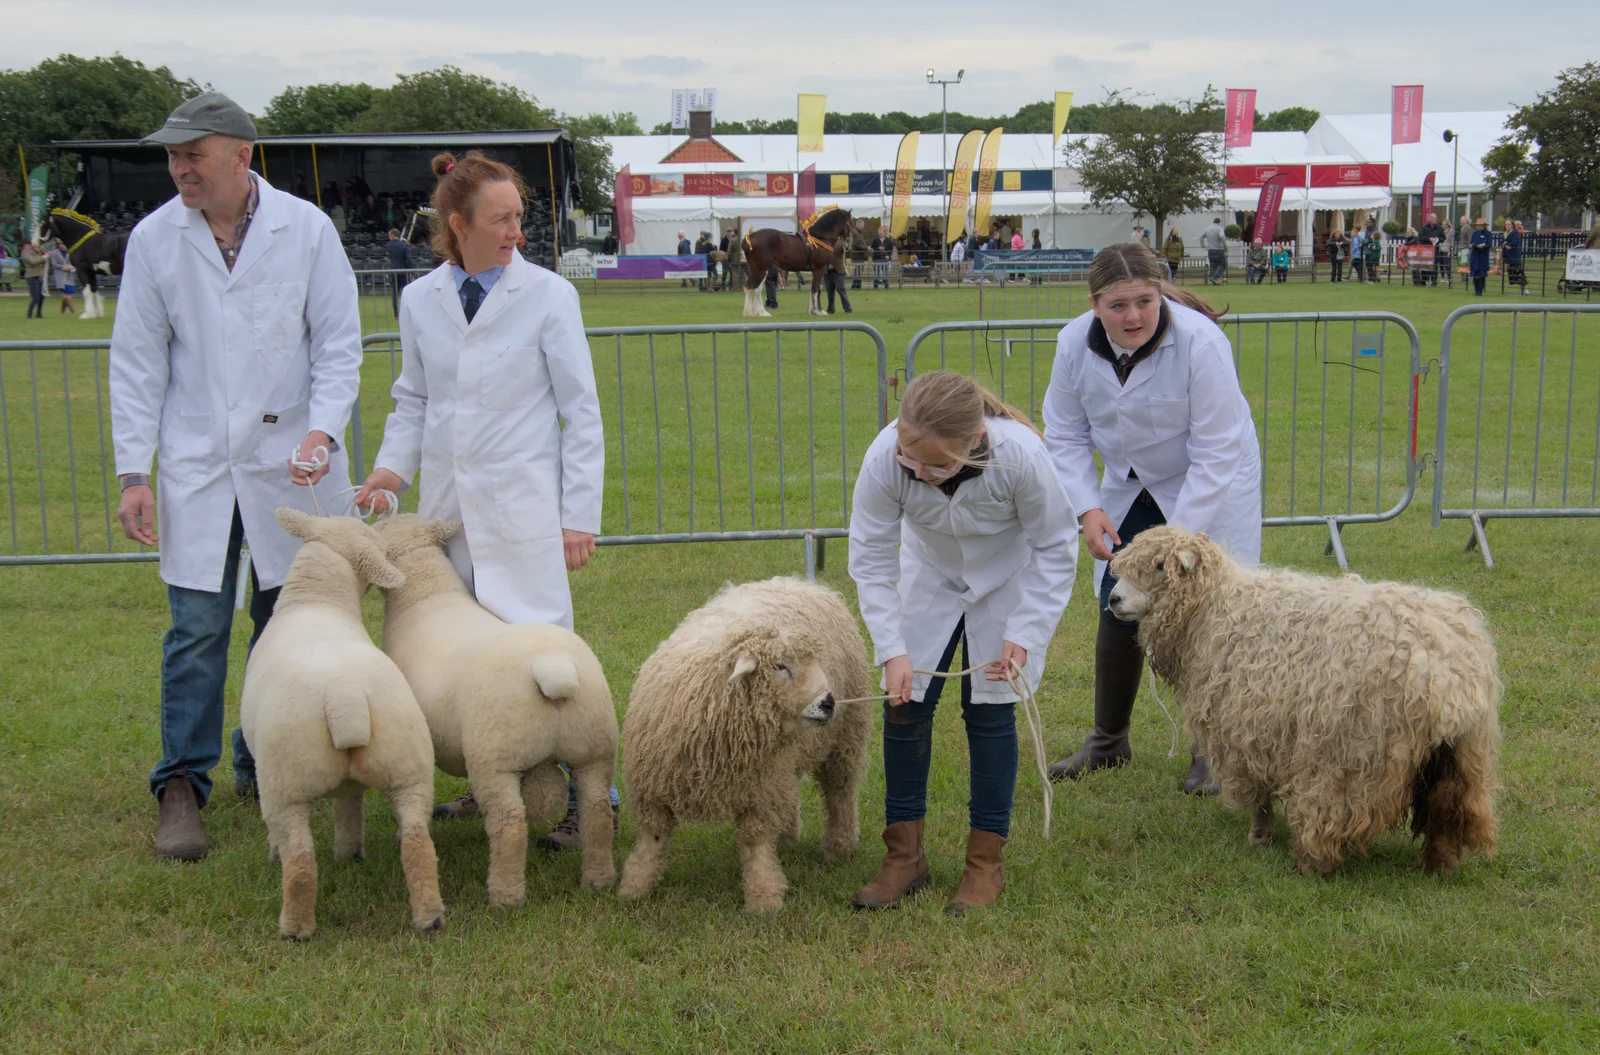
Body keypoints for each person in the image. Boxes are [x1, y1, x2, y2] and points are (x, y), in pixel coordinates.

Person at [110, 93, 362, 860]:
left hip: (293, 462)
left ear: (241, 157)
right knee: (195, 630)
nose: (179, 166)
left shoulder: (307, 231)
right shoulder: (156, 240)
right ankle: (182, 782)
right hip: (196, 466)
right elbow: (137, 363)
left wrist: (322, 429)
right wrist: (133, 470)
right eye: (173, 155)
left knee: (286, 623)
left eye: (194, 152)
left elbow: (339, 345)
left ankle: (267, 758)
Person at [354, 149, 615, 847]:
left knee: (544, 650)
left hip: (522, 510)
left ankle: (586, 797)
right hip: (445, 513)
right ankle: (485, 777)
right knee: (463, 657)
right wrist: (387, 472)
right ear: (456, 223)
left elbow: (580, 411)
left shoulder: (550, 296)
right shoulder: (419, 300)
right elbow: (413, 399)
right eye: (500, 220)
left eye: (519, 219)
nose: (515, 233)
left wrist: (577, 515)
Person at [848, 371, 1078, 915]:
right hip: (926, 574)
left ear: (974, 441)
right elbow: (873, 559)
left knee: (990, 714)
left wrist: (1024, 631)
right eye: (910, 458)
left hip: (1007, 582)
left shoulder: (1019, 456)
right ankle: (905, 857)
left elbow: (1054, 544)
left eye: (937, 464)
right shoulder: (885, 457)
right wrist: (891, 648)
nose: (920, 472)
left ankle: (984, 864)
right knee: (905, 706)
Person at [1043, 243, 1261, 795]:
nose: (1134, 316)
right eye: (1118, 305)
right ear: (1094, 304)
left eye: (1144, 300)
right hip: (1129, 480)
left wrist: (1177, 539)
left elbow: (1216, 447)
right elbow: (1065, 434)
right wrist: (1088, 509)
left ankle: (1214, 749)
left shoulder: (1201, 343)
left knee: (1213, 610)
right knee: (1119, 599)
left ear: (1159, 293)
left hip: (1210, 478)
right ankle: (1109, 739)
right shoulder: (1072, 345)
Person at [386, 228, 413, 316]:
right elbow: (408, 260)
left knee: (395, 294)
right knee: (406, 293)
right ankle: (407, 311)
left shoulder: (388, 245)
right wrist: (411, 272)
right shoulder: (404, 245)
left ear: (392, 235)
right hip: (404, 272)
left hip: (394, 271)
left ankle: (396, 314)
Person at [48, 239, 77, 315]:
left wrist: (72, 267)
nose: (62, 245)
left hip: (70, 275)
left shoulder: (71, 251)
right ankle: (73, 311)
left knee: (67, 294)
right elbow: (54, 264)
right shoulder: (54, 253)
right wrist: (63, 267)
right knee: (66, 294)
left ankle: (62, 312)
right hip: (60, 275)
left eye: (63, 243)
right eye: (60, 244)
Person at [824, 243, 853, 314]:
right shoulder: (824, 241)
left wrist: (847, 246)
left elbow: (848, 252)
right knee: (829, 291)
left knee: (840, 289)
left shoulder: (840, 242)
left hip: (838, 271)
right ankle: (831, 309)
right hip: (827, 271)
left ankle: (848, 309)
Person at [1501, 218, 1527, 296]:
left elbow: (1514, 242)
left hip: (1515, 256)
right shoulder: (1505, 233)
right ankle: (1522, 289)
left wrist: (1507, 244)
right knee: (1512, 273)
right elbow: (1504, 243)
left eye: (1508, 224)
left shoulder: (1515, 233)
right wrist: (1505, 244)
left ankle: (1525, 289)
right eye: (1506, 224)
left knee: (1518, 272)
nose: (1507, 226)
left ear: (1512, 225)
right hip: (1509, 256)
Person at [21, 240, 46, 318]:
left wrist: (41, 254)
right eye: (28, 245)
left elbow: (42, 261)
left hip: (38, 276)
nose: (29, 246)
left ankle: (38, 313)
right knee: (35, 298)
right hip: (31, 277)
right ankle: (29, 314)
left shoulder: (33, 252)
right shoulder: (25, 253)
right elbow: (33, 261)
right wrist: (43, 257)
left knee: (41, 296)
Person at [1418, 212, 1444, 287]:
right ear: (1429, 219)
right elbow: (1420, 237)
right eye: (1433, 218)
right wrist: (1429, 239)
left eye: (1435, 218)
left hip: (1435, 249)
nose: (1435, 220)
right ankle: (1423, 280)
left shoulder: (1439, 227)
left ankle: (1434, 281)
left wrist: (1437, 239)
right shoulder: (1424, 227)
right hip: (1426, 250)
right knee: (1425, 265)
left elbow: (1443, 237)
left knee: (1435, 265)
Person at [1468, 218, 1491, 296]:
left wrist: (1484, 245)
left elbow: (1489, 244)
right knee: (1475, 273)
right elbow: (1471, 242)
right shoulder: (1475, 233)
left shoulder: (1488, 234)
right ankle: (1476, 290)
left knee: (1481, 273)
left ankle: (1480, 291)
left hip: (1483, 255)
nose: (1479, 226)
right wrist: (1471, 245)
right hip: (1475, 254)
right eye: (1478, 225)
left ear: (1484, 226)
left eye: (1481, 225)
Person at [1200, 217, 1227, 285]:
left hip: (1210, 250)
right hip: (1219, 249)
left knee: (1213, 266)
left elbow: (1201, 237)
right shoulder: (1220, 229)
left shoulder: (1208, 229)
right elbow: (1222, 236)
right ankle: (1214, 278)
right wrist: (1225, 246)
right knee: (1223, 265)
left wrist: (1203, 245)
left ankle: (1214, 283)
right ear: (1219, 222)